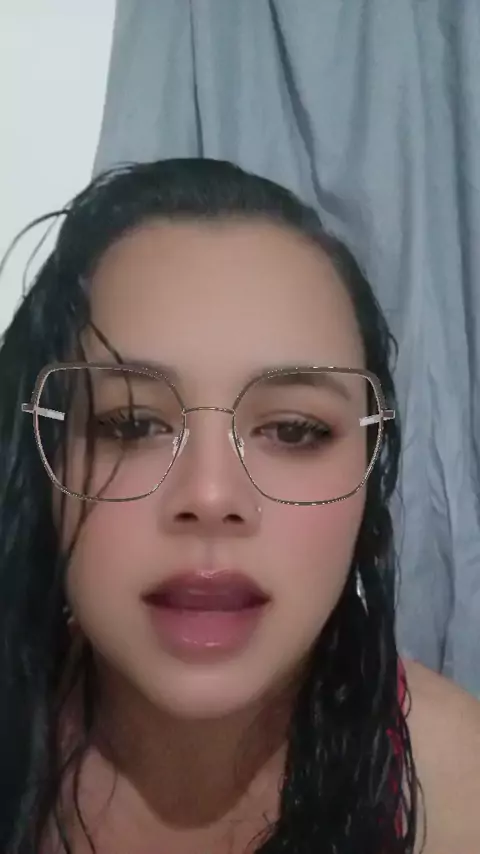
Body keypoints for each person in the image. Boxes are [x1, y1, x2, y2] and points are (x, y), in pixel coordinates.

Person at [0, 159, 478, 854]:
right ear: (44, 453)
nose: (211, 497)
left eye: (294, 430)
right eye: (130, 424)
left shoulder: (461, 792)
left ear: (370, 471)